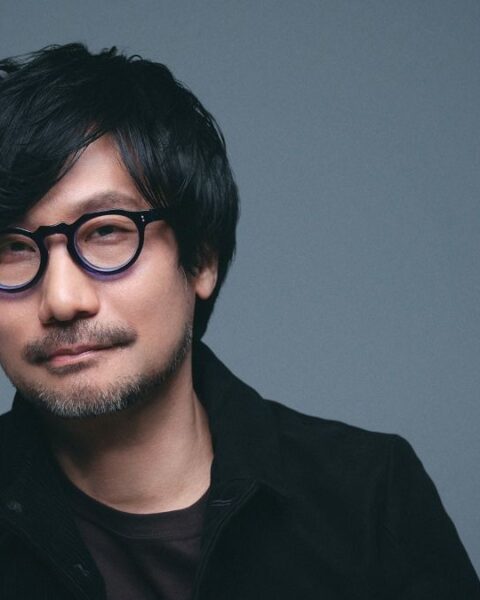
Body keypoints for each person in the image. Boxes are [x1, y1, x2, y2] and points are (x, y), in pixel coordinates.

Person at [0, 44, 477, 600]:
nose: (62, 299)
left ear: (201, 259)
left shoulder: (369, 497)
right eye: (12, 247)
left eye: (107, 231)